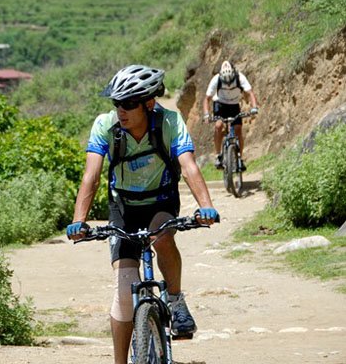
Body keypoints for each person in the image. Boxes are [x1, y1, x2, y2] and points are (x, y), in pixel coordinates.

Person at [65, 65, 219, 364]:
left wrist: (206, 206)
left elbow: (188, 166)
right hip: (122, 206)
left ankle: (175, 300)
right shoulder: (105, 126)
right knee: (124, 291)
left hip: (161, 201)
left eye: (129, 103)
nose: (121, 110)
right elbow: (91, 176)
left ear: (149, 103)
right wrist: (78, 221)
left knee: (162, 238)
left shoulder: (169, 122)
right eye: (116, 103)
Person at [202, 60, 259, 170]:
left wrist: (254, 107)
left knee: (238, 130)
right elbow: (207, 99)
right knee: (218, 126)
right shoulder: (216, 79)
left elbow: (250, 93)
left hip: (234, 105)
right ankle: (218, 155)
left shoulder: (240, 77)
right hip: (220, 104)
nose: (228, 84)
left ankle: (240, 158)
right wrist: (206, 114)